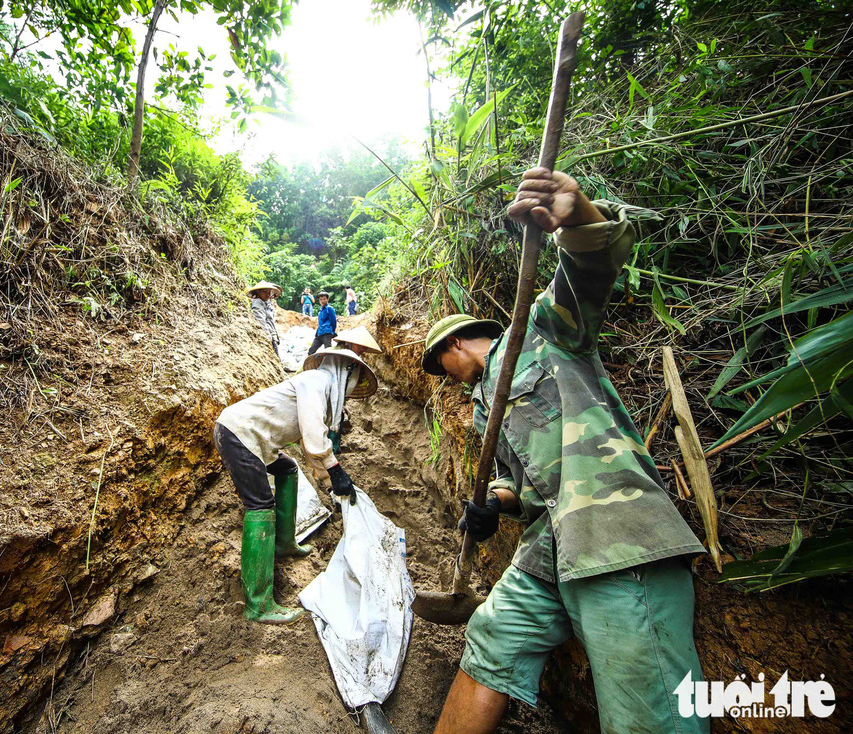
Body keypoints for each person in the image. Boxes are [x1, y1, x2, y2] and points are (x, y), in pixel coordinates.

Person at [423, 167, 708, 734]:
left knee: (647, 714)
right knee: (489, 639)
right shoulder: (485, 407)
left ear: (454, 345)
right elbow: (523, 485)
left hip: (612, 536)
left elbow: (587, 271)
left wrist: (574, 216)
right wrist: (496, 505)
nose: (444, 378)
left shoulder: (538, 333)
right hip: (544, 551)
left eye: (440, 367)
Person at [214, 348, 377, 623]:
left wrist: (328, 479)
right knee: (260, 504)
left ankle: (284, 543)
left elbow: (307, 441)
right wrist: (335, 470)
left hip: (249, 436)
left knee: (288, 468)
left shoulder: (318, 385)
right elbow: (314, 433)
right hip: (239, 434)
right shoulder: (316, 381)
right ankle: (258, 605)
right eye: (356, 378)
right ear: (345, 370)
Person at [248, 281, 281, 354]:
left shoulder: (267, 303)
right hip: (268, 336)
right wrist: (268, 337)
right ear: (258, 292)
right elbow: (261, 320)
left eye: (269, 292)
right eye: (265, 292)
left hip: (272, 335)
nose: (268, 294)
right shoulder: (257, 303)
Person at [307, 291, 337, 355]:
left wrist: (332, 331)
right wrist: (317, 332)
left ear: (327, 299)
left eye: (324, 299)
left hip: (327, 332)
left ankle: (330, 364)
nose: (322, 301)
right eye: (320, 299)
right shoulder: (320, 311)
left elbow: (333, 321)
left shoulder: (329, 309)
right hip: (320, 333)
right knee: (312, 350)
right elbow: (320, 323)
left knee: (328, 350)